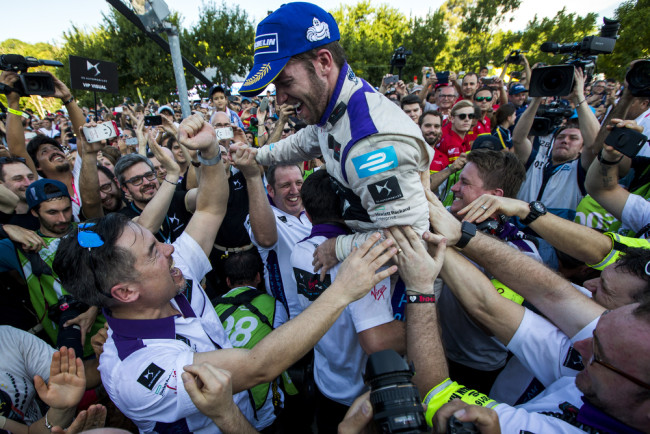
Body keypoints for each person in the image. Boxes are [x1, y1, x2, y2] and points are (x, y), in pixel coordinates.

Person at [52, 113, 399, 433]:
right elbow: (256, 365)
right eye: (153, 251)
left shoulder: (169, 276)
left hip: (258, 415)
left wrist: (210, 155)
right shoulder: (137, 371)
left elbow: (209, 208)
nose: (170, 248)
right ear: (126, 292)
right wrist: (341, 291)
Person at [235, 1, 432, 269]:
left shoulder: (370, 146)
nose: (280, 98)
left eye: (285, 82)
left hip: (402, 284)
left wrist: (337, 247)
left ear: (324, 63)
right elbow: (306, 141)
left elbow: (413, 243)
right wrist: (257, 154)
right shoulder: (338, 105)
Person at [291, 169, 404, 431]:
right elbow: (377, 341)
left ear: (307, 214)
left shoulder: (299, 252)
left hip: (325, 382)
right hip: (363, 398)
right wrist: (426, 325)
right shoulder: (367, 260)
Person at [0, 179, 104, 357]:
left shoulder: (88, 231)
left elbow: (118, 275)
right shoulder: (19, 247)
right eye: (52, 213)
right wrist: (5, 229)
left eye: (66, 209)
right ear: (34, 212)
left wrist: (93, 308)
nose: (62, 219)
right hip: (72, 347)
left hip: (112, 331)